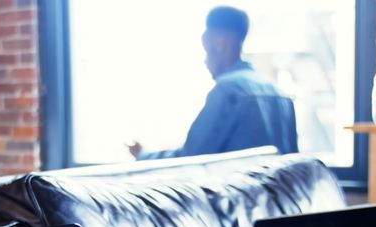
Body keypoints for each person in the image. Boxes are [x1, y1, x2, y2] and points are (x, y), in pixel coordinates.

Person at [128, 6, 298, 160]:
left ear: (219, 43)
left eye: (206, 48)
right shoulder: (280, 94)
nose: (205, 61)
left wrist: (144, 156)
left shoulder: (228, 91)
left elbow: (192, 158)